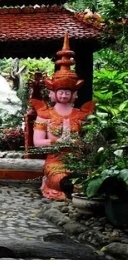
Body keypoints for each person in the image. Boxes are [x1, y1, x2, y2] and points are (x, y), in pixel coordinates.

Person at [32, 34, 94, 200]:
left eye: (68, 91)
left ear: (75, 93)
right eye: (61, 91)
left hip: (77, 160)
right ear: (54, 93)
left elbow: (90, 142)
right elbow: (37, 143)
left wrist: (78, 143)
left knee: (88, 180)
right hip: (55, 162)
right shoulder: (45, 114)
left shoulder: (81, 115)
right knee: (61, 181)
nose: (65, 94)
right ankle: (54, 183)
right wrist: (57, 142)